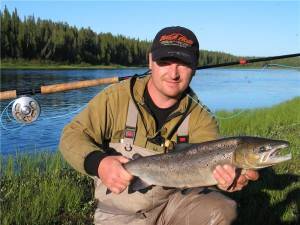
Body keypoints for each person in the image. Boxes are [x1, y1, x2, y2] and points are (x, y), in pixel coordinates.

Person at [59, 26, 259, 225]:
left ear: (195, 67)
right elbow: (71, 136)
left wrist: (225, 180)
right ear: (150, 61)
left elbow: (206, 173)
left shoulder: (201, 118)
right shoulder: (115, 98)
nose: (173, 73)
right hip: (119, 213)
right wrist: (99, 163)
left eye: (183, 63)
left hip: (172, 204)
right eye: (165, 62)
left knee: (223, 210)